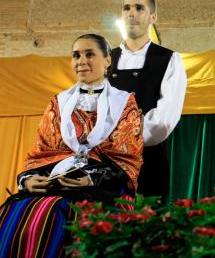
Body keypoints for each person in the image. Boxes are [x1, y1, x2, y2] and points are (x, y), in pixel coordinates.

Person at [0, 34, 143, 258]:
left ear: (107, 61)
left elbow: (127, 158)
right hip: (57, 181)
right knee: (14, 210)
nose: (81, 61)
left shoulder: (125, 103)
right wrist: (28, 180)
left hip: (103, 184)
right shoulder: (57, 103)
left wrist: (89, 178)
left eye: (89, 54)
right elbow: (42, 151)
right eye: (76, 55)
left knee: (54, 211)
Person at [108, 0, 187, 200]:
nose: (131, 13)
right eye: (126, 8)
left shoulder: (169, 59)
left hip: (148, 162)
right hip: (105, 164)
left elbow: (164, 120)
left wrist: (122, 139)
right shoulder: (105, 58)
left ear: (153, 17)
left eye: (139, 8)